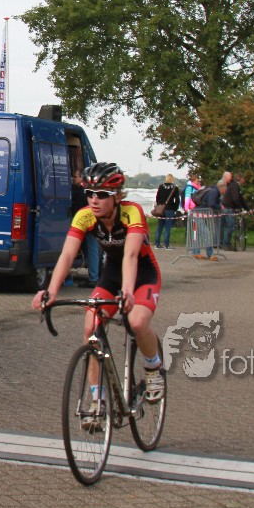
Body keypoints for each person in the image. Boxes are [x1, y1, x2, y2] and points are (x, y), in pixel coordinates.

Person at [31, 162, 165, 414]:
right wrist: (51, 291)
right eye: (90, 193)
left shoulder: (132, 212)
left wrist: (127, 292)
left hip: (143, 274)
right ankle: (97, 400)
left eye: (102, 194)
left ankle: (153, 366)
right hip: (112, 274)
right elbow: (67, 255)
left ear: (117, 196)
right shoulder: (84, 216)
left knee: (136, 322)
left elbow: (131, 256)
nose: (94, 200)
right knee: (91, 327)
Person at [220, 170, 247, 249]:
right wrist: (239, 207)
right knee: (230, 226)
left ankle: (220, 243)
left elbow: (240, 198)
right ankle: (227, 243)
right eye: (243, 179)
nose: (244, 181)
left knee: (222, 226)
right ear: (240, 179)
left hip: (224, 207)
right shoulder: (235, 185)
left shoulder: (232, 185)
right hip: (229, 208)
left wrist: (246, 207)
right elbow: (236, 198)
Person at [154, 174, 180, 249]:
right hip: (170, 208)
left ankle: (157, 244)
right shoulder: (175, 188)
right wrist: (175, 208)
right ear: (172, 179)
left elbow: (157, 197)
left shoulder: (161, 186)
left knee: (160, 227)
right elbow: (177, 200)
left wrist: (159, 205)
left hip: (161, 209)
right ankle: (166, 245)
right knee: (167, 227)